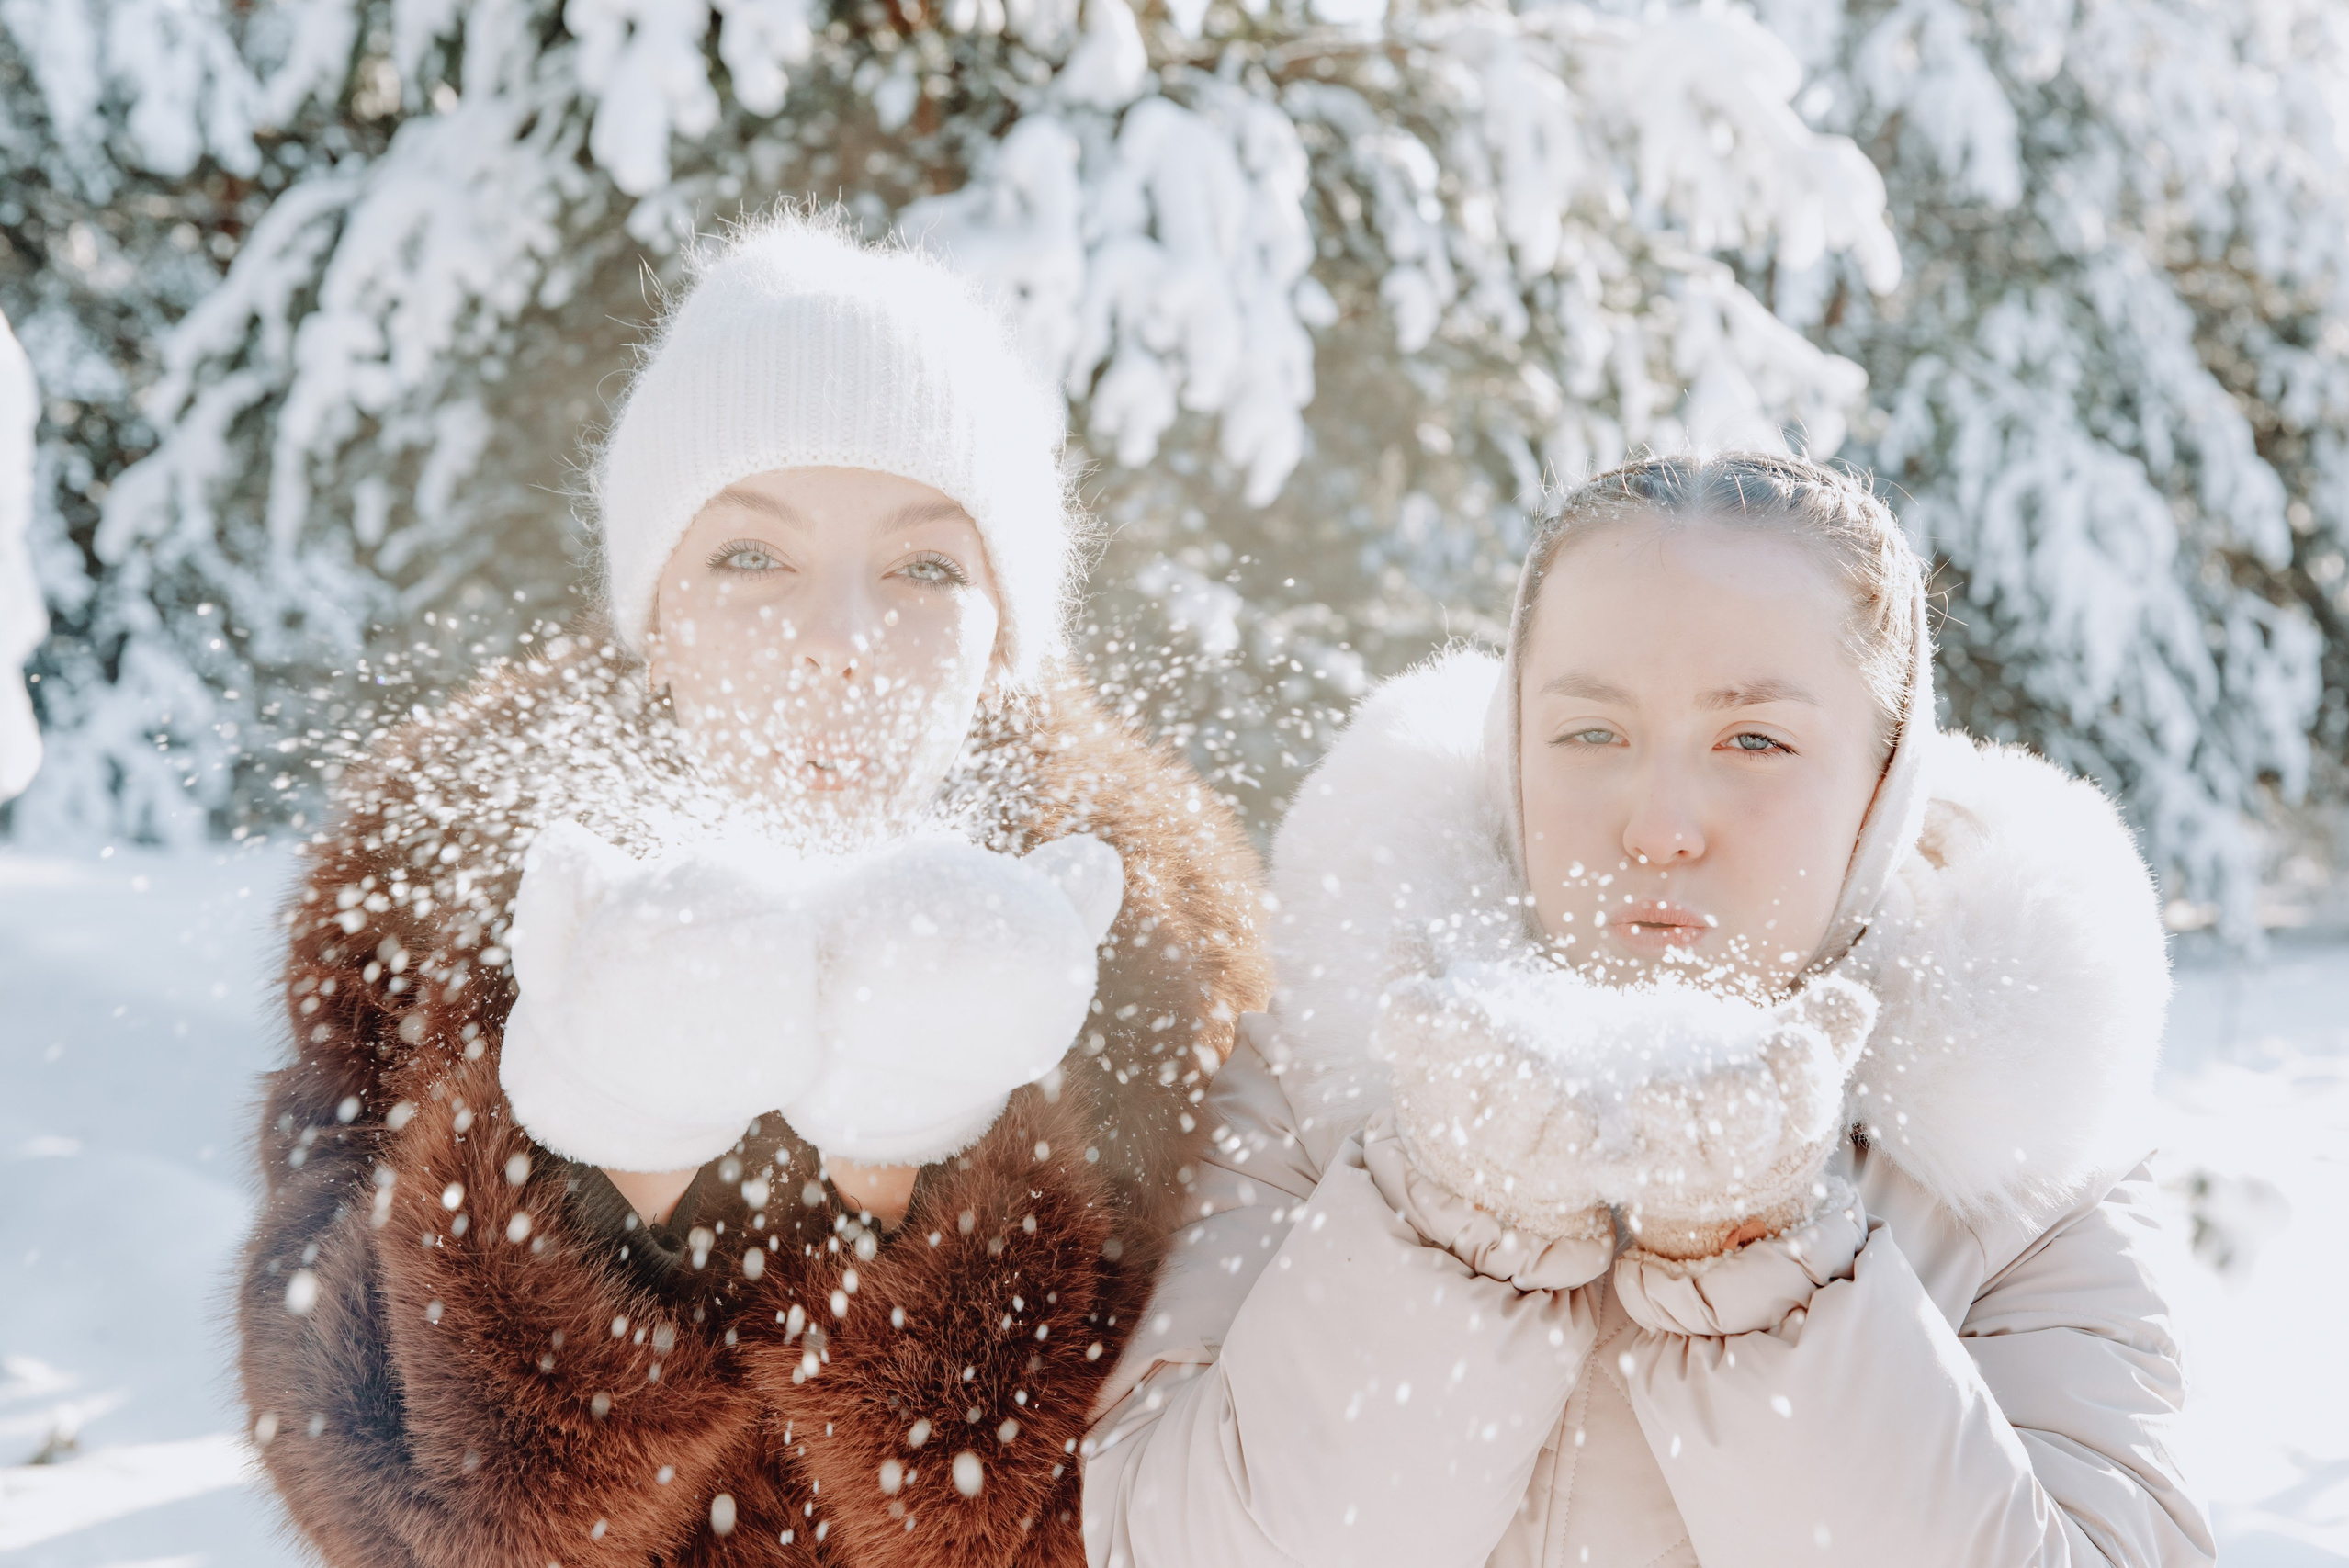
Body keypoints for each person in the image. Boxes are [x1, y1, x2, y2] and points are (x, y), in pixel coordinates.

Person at [237, 210, 1269, 1568]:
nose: (838, 641)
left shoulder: (1148, 941)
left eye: (923, 567)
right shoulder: (456, 893)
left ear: (1003, 642)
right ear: (653, 619)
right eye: (749, 555)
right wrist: (615, 1154)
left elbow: (1170, 1506)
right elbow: (378, 1495)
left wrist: (917, 1174)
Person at [1084, 454, 2213, 1567]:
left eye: (1755, 741)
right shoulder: (1323, 1073)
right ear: (1512, 749)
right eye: (1590, 734)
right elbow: (1166, 1543)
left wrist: (1765, 1266)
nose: (1660, 825)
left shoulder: (2018, 1155)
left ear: (1881, 788)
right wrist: (1461, 1222)